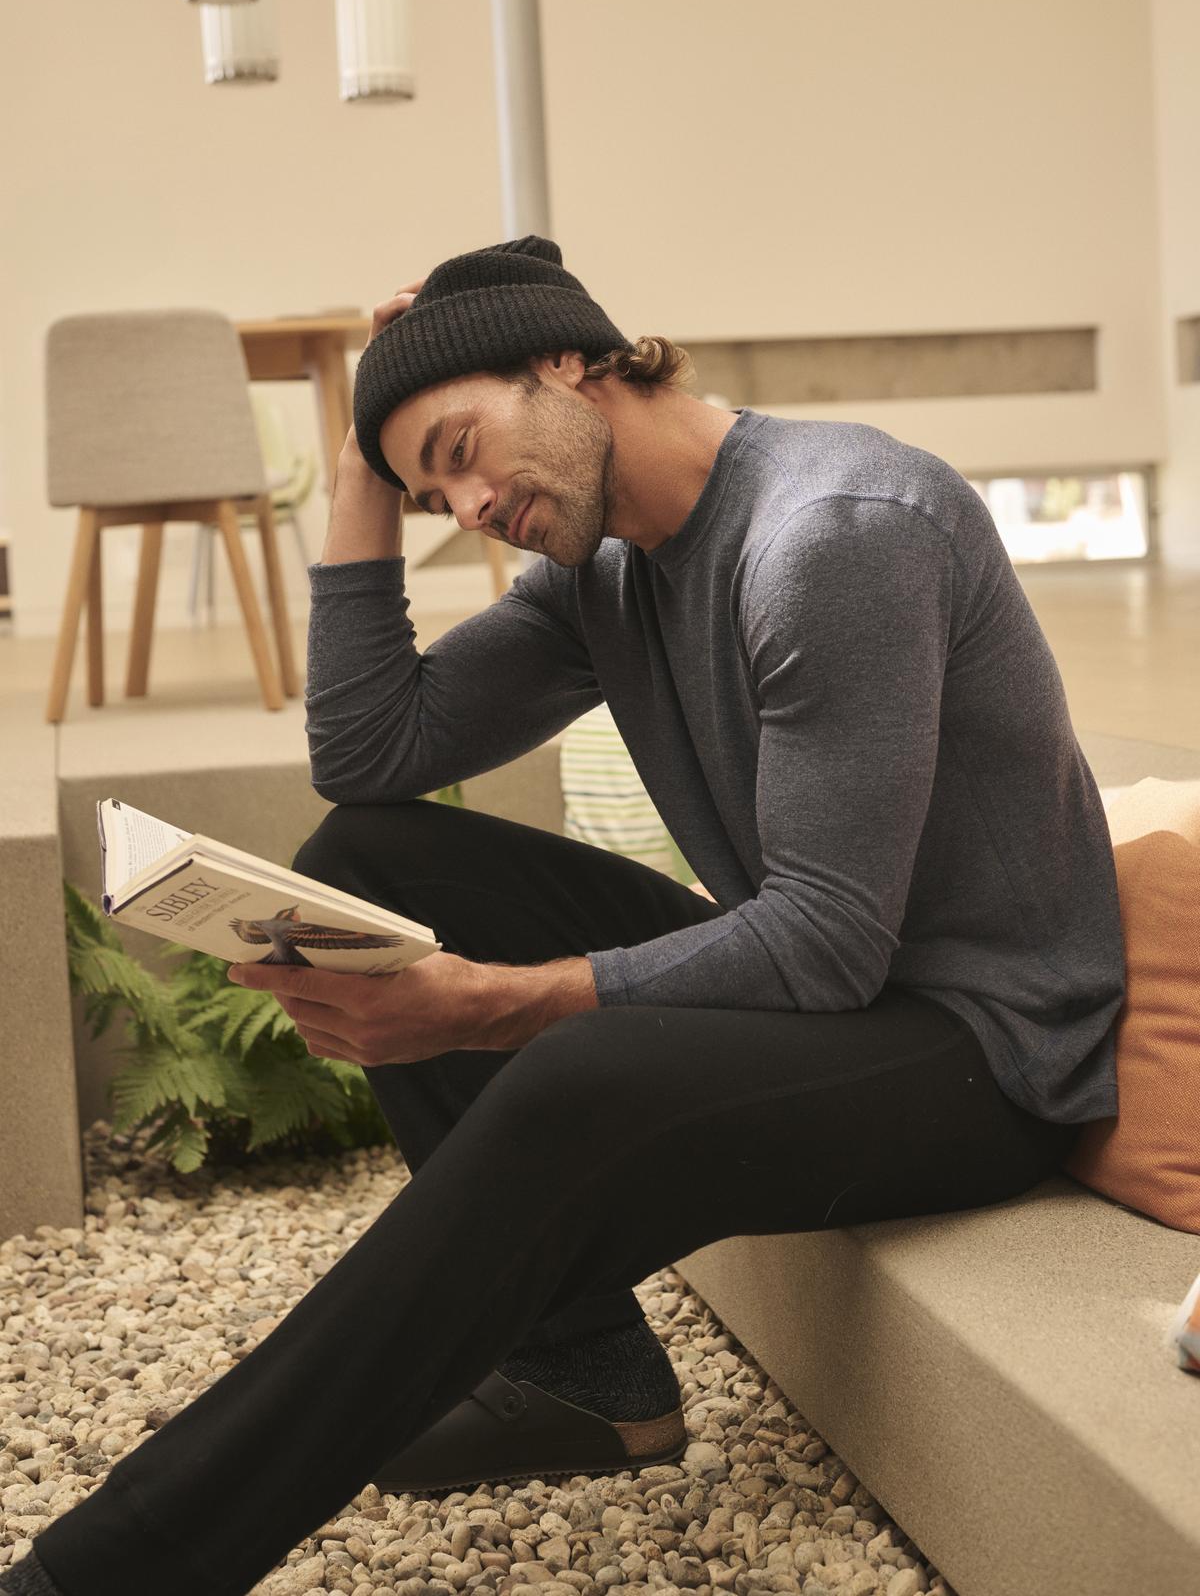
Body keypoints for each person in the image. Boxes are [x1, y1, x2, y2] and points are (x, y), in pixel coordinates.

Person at [4, 235, 1126, 1596]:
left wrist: (485, 1003)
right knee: (370, 862)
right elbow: (368, 756)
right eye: (435, 490)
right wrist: (368, 459)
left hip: (986, 1050)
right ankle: (591, 1379)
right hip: (843, 978)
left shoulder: (831, 535)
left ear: (567, 359)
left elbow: (829, 944)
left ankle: (115, 1568)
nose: (468, 504)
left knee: (572, 1066)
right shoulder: (607, 570)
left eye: (465, 448)